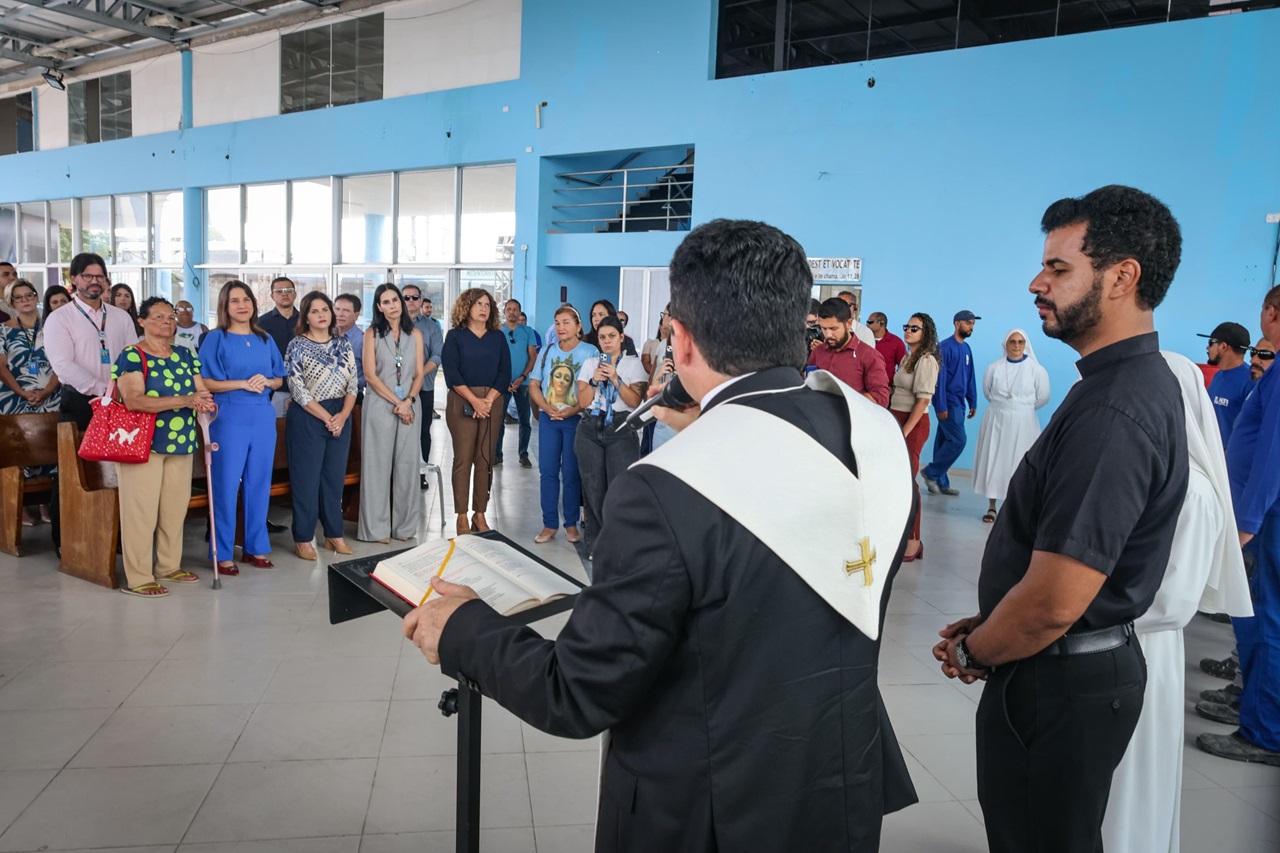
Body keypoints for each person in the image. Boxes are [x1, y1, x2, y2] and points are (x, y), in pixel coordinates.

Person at [401, 219, 918, 852]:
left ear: (681, 341)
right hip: (838, 785)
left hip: (707, 812)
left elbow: (579, 692)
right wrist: (714, 417)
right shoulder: (874, 435)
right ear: (798, 324)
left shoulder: (665, 489)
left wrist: (463, 627)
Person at [933, 185, 1189, 853]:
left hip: (1057, 676)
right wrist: (994, 621)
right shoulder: (1119, 383)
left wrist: (975, 650)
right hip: (1065, 665)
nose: (1036, 283)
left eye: (1058, 268)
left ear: (1122, 276)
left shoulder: (1113, 410)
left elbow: (1053, 602)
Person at [1101, 351, 1252, 853]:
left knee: (1130, 776)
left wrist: (1076, 609)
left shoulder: (1195, 492)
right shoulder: (1148, 470)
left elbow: (1169, 601)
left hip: (1141, 647)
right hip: (1115, 638)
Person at [1197, 284, 1280, 768]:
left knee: (1263, 621)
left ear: (1270, 313)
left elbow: (1272, 455)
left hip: (1267, 520)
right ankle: (1256, 711)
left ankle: (1264, 732)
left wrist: (1246, 522)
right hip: (1265, 515)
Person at [112, 297, 215, 597]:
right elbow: (134, 400)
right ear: (141, 322)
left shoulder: (185, 354)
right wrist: (184, 401)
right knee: (141, 511)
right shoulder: (132, 356)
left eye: (170, 317)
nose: (167, 322)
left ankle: (168, 566)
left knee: (173, 508)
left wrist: (204, 400)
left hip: (181, 440)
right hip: (143, 444)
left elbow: (201, 389)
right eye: (158, 317)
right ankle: (139, 576)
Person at [43, 254, 138, 549]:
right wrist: (102, 390)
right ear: (73, 279)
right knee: (72, 471)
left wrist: (123, 389)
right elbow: (63, 365)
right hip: (79, 402)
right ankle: (66, 541)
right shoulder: (60, 318)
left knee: (120, 468)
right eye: (88, 276)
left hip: (119, 402)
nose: (94, 282)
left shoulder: (120, 317)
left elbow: (132, 357)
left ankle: (117, 539)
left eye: (100, 276)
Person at [198, 281, 287, 574]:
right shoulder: (215, 339)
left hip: (262, 414)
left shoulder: (265, 338)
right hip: (228, 415)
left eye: (246, 299)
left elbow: (279, 378)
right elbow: (206, 382)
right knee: (225, 485)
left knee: (259, 483)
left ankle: (255, 547)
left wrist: (267, 381)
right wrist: (241, 383)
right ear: (225, 306)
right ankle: (222, 551)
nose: (241, 305)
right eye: (234, 300)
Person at [285, 291, 358, 560]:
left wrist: (342, 415)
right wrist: (327, 418)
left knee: (333, 478)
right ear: (305, 316)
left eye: (325, 309)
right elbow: (298, 389)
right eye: (314, 311)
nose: (322, 315)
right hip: (309, 415)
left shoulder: (343, 344)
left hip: (341, 413)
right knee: (307, 479)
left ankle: (333, 533)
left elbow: (353, 383)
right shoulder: (296, 346)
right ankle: (303, 537)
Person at [574, 316, 646, 559]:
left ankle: (619, 544)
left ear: (621, 338)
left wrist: (615, 378)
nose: (606, 342)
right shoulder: (589, 363)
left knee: (619, 489)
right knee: (593, 488)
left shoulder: (633, 365)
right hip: (590, 425)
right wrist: (595, 380)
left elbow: (635, 402)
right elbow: (582, 401)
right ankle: (595, 545)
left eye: (611, 337)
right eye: (602, 337)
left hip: (620, 426)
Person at [358, 283, 424, 544]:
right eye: (385, 302)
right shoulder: (371, 334)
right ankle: (376, 529)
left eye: (395, 300)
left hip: (409, 405)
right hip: (380, 405)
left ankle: (404, 528)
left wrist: (408, 401)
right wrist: (398, 402)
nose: (392, 305)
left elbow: (419, 374)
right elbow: (370, 376)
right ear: (379, 307)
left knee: (408, 467)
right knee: (377, 467)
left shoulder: (415, 334)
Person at [441, 288, 509, 536]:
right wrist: (475, 401)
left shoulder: (497, 338)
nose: (483, 308)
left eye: (487, 304)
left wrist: (487, 401)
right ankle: (461, 516)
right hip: (462, 400)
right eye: (478, 303)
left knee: (485, 460)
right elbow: (452, 373)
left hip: (493, 401)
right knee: (463, 459)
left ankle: (479, 514)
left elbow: (504, 373)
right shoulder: (455, 336)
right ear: (466, 307)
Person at [529, 305, 598, 544]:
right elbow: (534, 385)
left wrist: (574, 410)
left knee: (570, 473)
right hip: (549, 420)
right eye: (557, 322)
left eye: (567, 322)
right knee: (547, 471)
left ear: (579, 326)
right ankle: (549, 524)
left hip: (576, 420)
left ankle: (570, 524)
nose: (561, 327)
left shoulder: (590, 351)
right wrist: (545, 408)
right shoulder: (547, 351)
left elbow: (594, 389)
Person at [971, 329, 1050, 523]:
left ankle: (1015, 509)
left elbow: (1043, 397)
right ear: (1006, 344)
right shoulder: (994, 367)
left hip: (1023, 422)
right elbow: (988, 392)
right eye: (1012, 342)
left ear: (1025, 345)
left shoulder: (1036, 369)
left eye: (1020, 342)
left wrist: (1020, 408)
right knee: (995, 460)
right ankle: (992, 507)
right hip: (997, 419)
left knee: (1019, 463)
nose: (1016, 346)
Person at [888, 313, 938, 563]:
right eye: (906, 327)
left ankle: (914, 540)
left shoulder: (926, 360)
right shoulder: (909, 356)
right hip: (897, 417)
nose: (908, 331)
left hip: (912, 423)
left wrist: (905, 431)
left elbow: (923, 400)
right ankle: (900, 535)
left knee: (909, 481)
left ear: (925, 332)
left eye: (914, 328)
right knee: (896, 479)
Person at [921, 310, 979, 496]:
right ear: (957, 324)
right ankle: (931, 472)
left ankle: (940, 482)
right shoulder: (944, 347)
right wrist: (941, 405)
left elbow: (970, 377)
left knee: (944, 440)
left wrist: (972, 400)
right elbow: (940, 379)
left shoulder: (967, 348)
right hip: (949, 402)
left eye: (972, 324)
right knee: (958, 440)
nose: (971, 327)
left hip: (960, 403)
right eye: (968, 323)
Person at [805, 297, 890, 406]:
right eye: (824, 328)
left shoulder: (869, 356)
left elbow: (881, 398)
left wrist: (843, 400)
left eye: (833, 329)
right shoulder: (818, 352)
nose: (828, 335)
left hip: (852, 421)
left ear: (849, 323)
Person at [0, 280, 61, 415]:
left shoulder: (53, 327)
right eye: (18, 297)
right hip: (13, 400)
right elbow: (1, 366)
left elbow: (62, 363)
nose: (25, 300)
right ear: (11, 302)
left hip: (52, 399)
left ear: (36, 298)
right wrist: (22, 393)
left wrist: (46, 392)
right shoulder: (3, 330)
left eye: (29, 295)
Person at [404, 285, 443, 486]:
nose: (410, 300)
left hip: (424, 388)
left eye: (414, 297)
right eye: (406, 297)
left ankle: (420, 474)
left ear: (420, 301)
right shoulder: (389, 326)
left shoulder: (431, 327)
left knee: (422, 431)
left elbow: (437, 355)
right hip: (396, 390)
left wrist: (418, 374)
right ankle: (399, 476)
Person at [496, 298, 537, 468]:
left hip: (523, 382)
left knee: (525, 420)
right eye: (509, 309)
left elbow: (532, 356)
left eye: (516, 309)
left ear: (519, 313)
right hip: (502, 382)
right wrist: (502, 379)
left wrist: (522, 377)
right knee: (498, 420)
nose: (512, 312)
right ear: (504, 312)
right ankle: (497, 455)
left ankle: (524, 454)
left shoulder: (528, 332)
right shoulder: (497, 331)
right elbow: (494, 357)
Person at [1199, 321, 1253, 446]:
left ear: (1223, 346)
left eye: (1211, 343)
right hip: (1212, 456)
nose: (1207, 348)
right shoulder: (1218, 376)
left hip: (1230, 460)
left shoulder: (1251, 381)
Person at [257, 276, 299, 417]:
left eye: (288, 290)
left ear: (295, 294)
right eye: (279, 291)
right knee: (277, 432)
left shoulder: (306, 321)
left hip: (304, 388)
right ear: (272, 296)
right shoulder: (261, 323)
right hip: (275, 389)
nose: (284, 293)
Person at [332, 293, 365, 397]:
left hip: (352, 396)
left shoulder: (362, 340)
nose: (340, 314)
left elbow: (368, 376)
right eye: (337, 309)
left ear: (356, 315)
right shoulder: (325, 336)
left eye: (346, 311)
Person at [641, 308, 668, 376]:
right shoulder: (650, 343)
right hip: (653, 378)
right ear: (660, 327)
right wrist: (658, 374)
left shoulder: (673, 344)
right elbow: (645, 363)